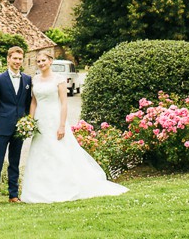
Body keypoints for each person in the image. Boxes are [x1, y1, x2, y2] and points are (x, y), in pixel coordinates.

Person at [21, 51, 128, 203]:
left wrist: (62, 125)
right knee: (40, 152)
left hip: (54, 118)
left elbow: (64, 103)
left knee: (59, 152)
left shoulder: (59, 79)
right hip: (40, 120)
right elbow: (33, 102)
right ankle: (40, 189)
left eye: (43, 60)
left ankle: (65, 186)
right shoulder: (35, 80)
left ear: (50, 61)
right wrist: (30, 121)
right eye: (38, 61)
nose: (41, 63)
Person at [0, 46, 32, 207]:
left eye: (20, 59)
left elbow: (27, 105)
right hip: (1, 128)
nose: (17, 62)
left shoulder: (27, 80)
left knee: (15, 162)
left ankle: (13, 194)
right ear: (8, 59)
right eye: (15, 58)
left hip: (19, 128)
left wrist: (27, 122)